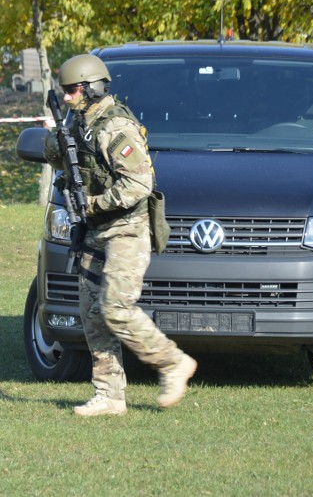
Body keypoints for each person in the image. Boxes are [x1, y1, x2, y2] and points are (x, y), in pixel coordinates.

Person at [44, 54, 197, 417]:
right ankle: (110, 395)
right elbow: (57, 156)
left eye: (72, 90)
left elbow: (140, 183)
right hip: (96, 231)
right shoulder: (80, 125)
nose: (67, 97)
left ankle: (173, 363)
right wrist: (56, 142)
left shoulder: (115, 128)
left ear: (92, 88)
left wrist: (94, 204)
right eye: (64, 91)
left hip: (127, 228)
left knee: (115, 307)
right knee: (92, 311)